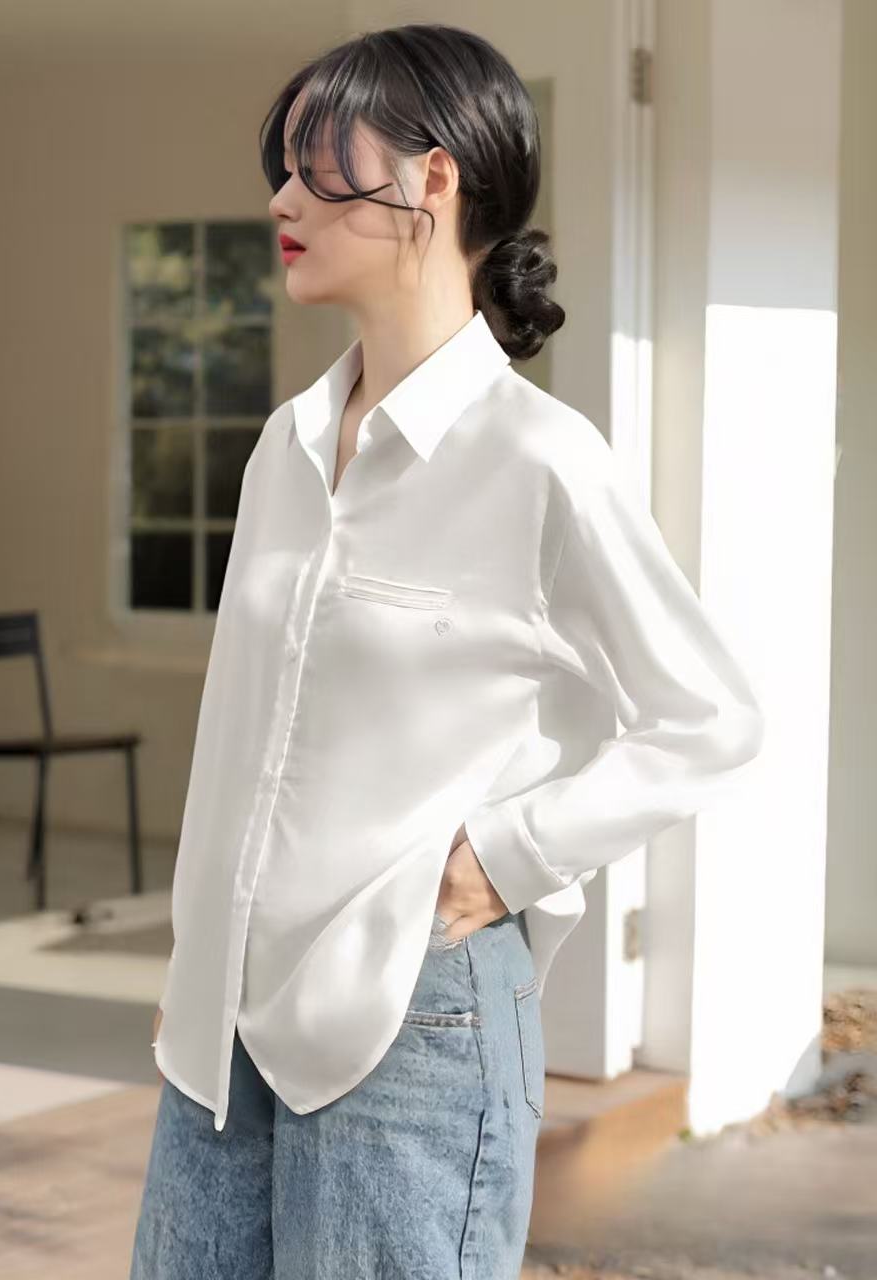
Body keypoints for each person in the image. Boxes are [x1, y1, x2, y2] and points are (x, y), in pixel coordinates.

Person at [129, 22, 764, 1280]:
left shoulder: (539, 459)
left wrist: (505, 858)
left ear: (435, 176)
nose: (283, 200)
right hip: (218, 1036)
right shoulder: (283, 447)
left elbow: (711, 717)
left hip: (413, 1025)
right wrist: (199, 960)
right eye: (281, 169)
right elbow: (241, 735)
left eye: (319, 166)